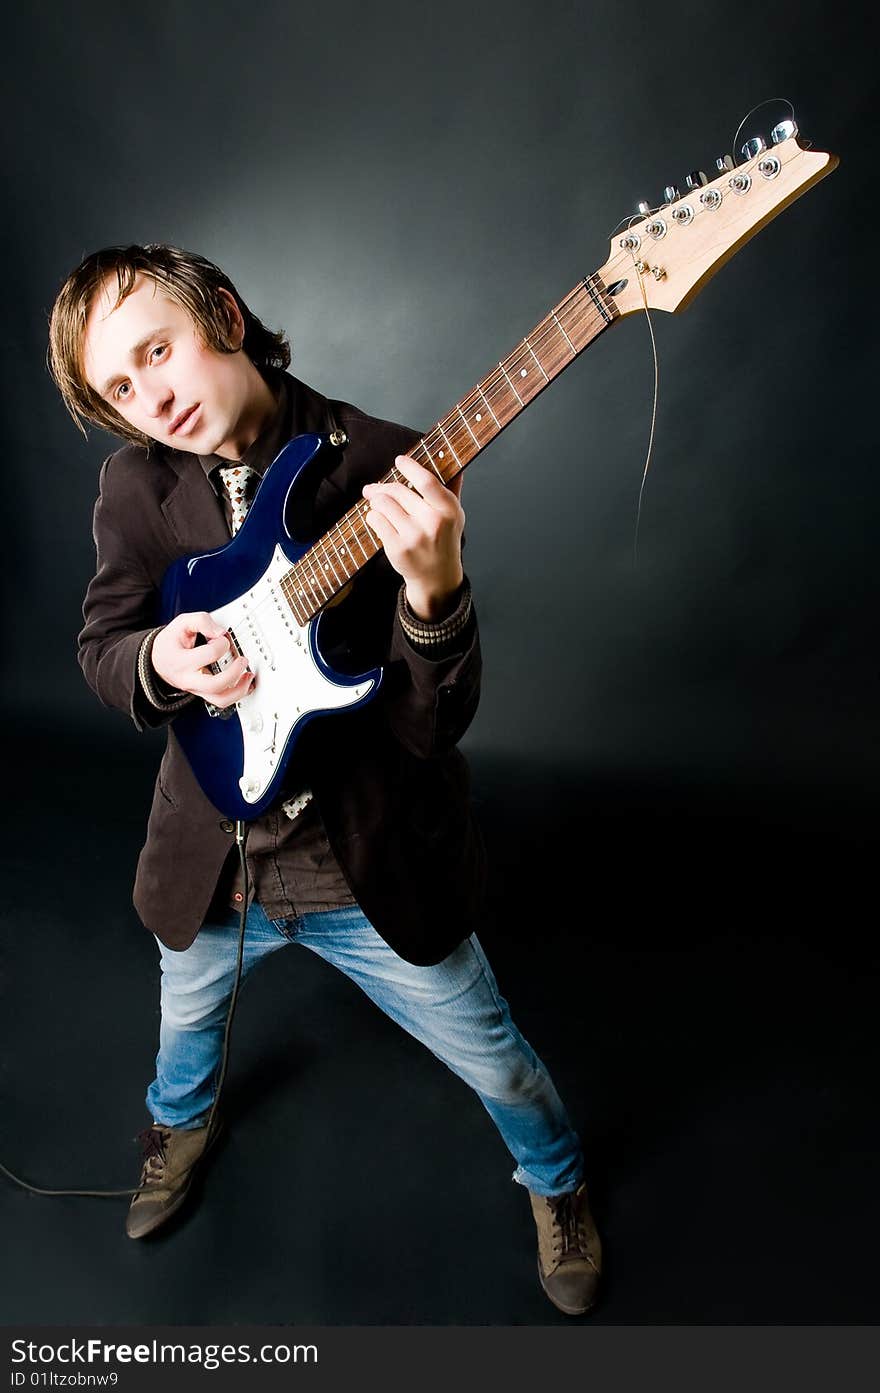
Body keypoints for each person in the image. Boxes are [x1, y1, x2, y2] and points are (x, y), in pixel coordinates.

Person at [47, 244, 601, 1316]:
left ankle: (558, 1183)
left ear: (223, 312)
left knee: (497, 1060)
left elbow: (430, 726)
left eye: (158, 351)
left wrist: (434, 590)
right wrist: (160, 659)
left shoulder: (388, 466)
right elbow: (103, 643)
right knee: (183, 1032)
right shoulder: (135, 485)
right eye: (120, 387)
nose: (152, 399)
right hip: (212, 862)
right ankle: (180, 1127)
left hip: (363, 863)